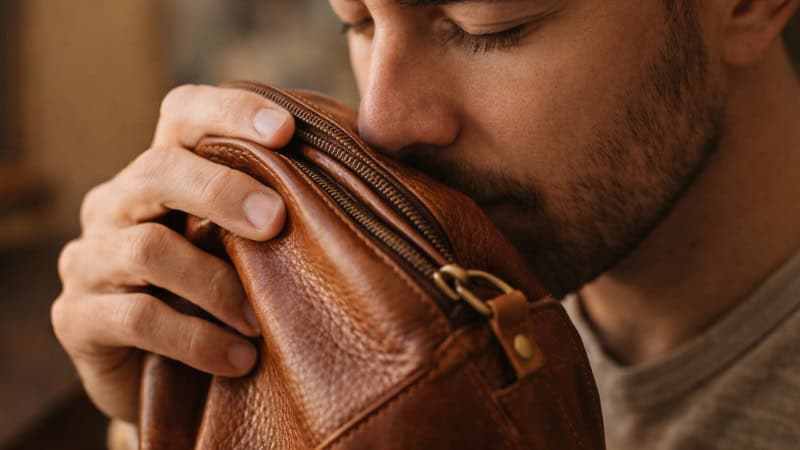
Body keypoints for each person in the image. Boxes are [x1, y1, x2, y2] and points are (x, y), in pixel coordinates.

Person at [52, 0, 800, 448]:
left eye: (489, 26)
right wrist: (185, 411)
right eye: (359, 20)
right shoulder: (414, 299)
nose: (384, 121)